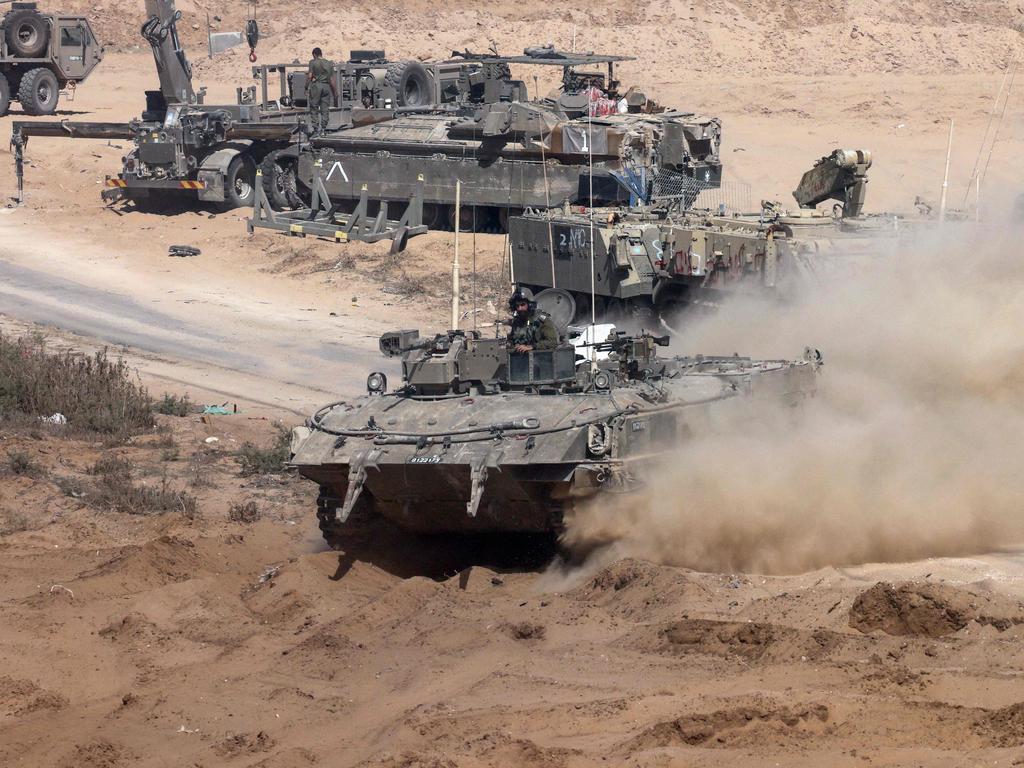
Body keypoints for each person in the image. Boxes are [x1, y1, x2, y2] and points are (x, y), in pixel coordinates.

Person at [507, 289, 558, 353]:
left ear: (530, 304)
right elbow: (512, 340)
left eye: (522, 305)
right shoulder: (517, 322)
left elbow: (553, 342)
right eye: (517, 306)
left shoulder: (541, 320)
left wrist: (532, 346)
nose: (519, 308)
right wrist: (513, 344)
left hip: (540, 358)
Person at [306, 47, 336, 136]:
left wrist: (306, 87)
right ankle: (323, 129)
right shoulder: (329, 63)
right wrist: (335, 91)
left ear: (314, 54)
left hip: (316, 86)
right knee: (325, 109)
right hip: (326, 86)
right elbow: (332, 80)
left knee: (314, 108)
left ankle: (316, 130)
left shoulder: (313, 62)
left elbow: (310, 76)